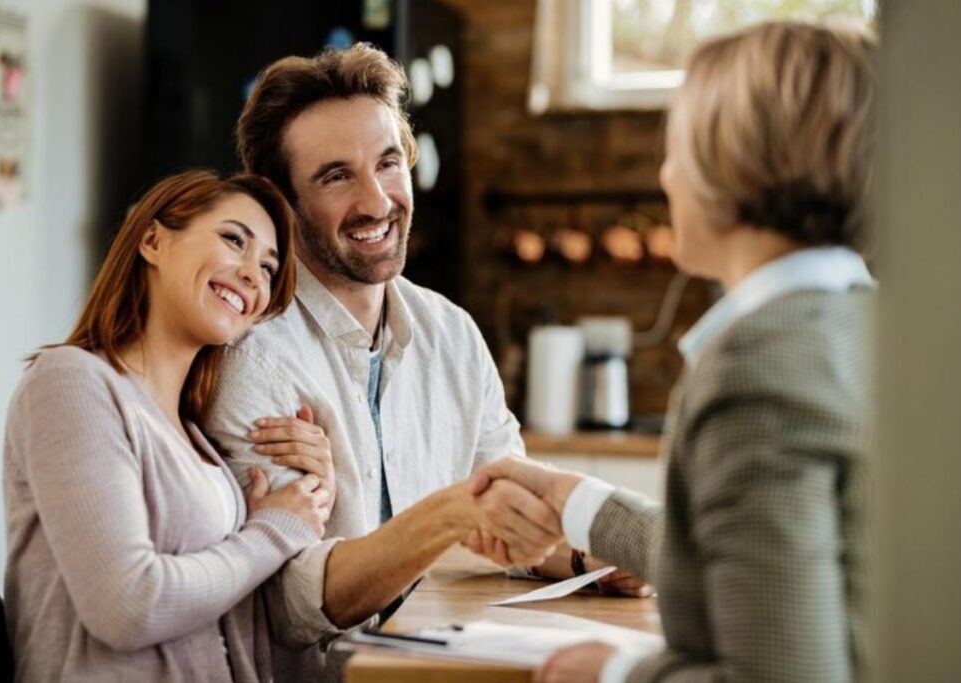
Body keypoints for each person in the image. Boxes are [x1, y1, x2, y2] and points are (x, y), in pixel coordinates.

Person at [203, 44, 642, 681]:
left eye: (387, 163)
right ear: (279, 202)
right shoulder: (252, 357)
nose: (377, 201)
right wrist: (450, 515)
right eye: (335, 176)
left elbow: (508, 503)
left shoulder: (452, 334)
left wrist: (591, 560)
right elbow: (290, 604)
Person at [472, 20, 877, 683]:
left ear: (733, 165)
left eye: (678, 147)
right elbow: (757, 562)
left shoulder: (760, 368)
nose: (665, 173)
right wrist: (573, 499)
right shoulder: (868, 324)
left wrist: (613, 673)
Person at [3, 170, 333, 682]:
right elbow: (129, 605)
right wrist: (273, 531)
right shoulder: (71, 383)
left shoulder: (194, 437)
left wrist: (311, 495)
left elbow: (230, 605)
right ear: (153, 241)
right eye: (233, 240)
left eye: (268, 269)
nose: (254, 275)